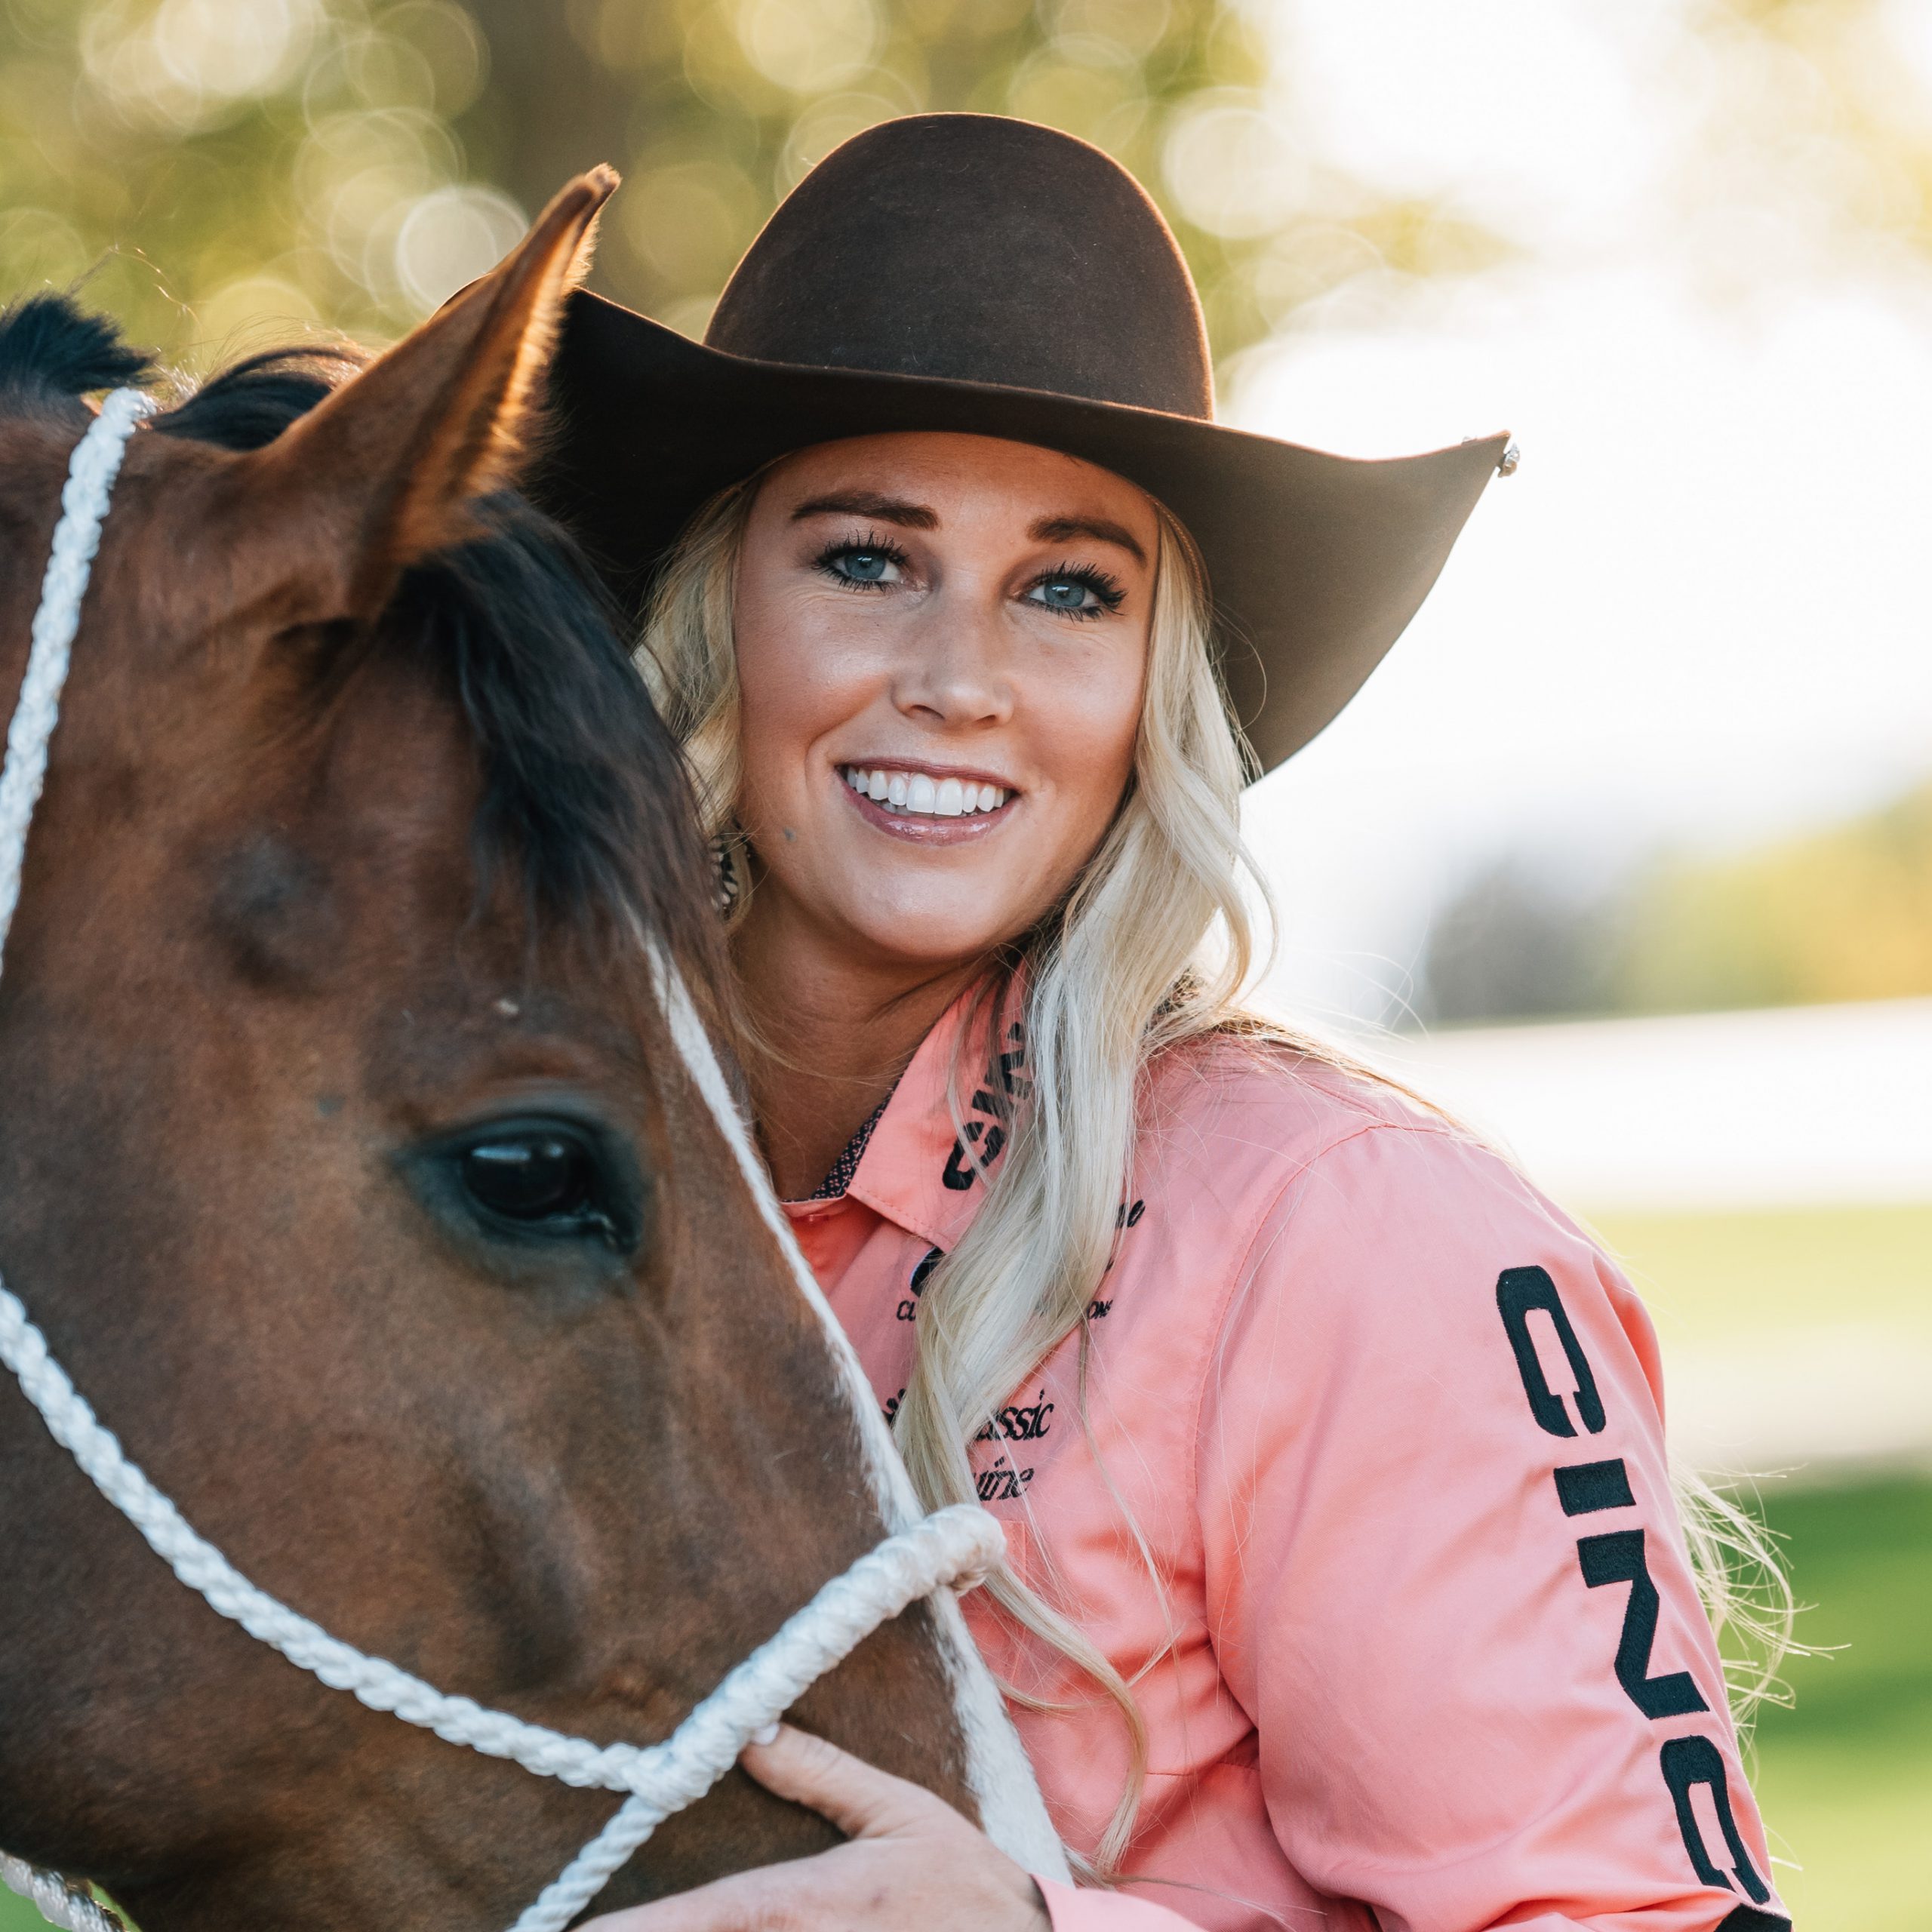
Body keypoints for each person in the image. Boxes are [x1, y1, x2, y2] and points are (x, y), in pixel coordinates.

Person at [543, 115, 1789, 1932]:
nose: (959, 680)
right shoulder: (521, 1192)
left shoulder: (1347, 1233)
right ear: (711, 605)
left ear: (1154, 685)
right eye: (867, 561)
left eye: (1068, 589)